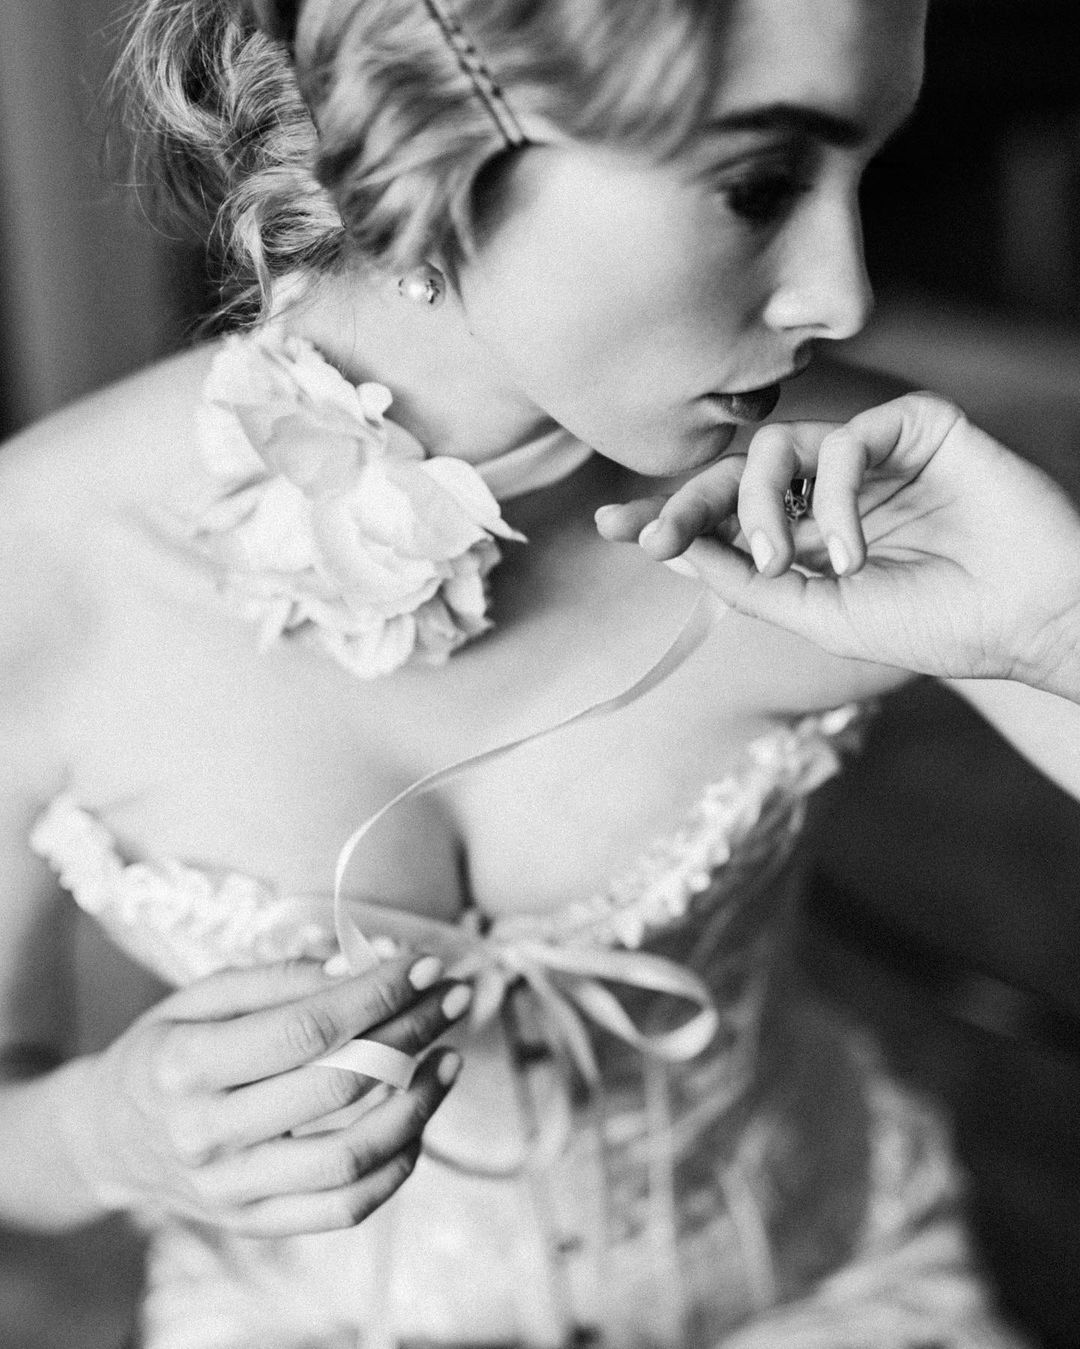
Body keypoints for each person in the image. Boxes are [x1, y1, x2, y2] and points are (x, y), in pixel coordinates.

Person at [0, 0, 1068, 1346]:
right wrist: (103, 1133)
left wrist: (1058, 626)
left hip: (815, 1285)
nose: (844, 295)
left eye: (867, 168)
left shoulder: (855, 492)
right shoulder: (41, 559)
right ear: (420, 136)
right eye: (759, 183)